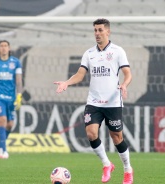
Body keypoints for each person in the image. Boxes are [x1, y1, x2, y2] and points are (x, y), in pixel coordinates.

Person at [54, 18, 133, 184]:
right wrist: (67, 82)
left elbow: (127, 73)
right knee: (91, 134)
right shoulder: (89, 53)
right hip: (94, 102)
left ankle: (127, 170)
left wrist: (124, 84)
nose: (97, 33)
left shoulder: (118, 51)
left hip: (112, 102)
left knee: (117, 138)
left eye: (100, 30)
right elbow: (80, 75)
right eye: (95, 30)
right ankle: (106, 164)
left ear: (108, 31)